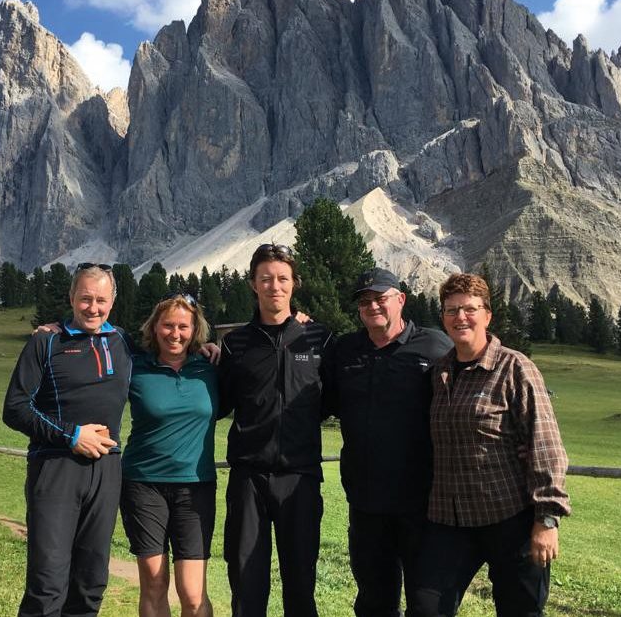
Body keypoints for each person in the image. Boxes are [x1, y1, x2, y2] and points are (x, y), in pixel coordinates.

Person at [413, 272, 571, 617]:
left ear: (487, 315)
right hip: (449, 519)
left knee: (520, 610)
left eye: (469, 309)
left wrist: (546, 520)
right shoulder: (438, 373)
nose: (460, 318)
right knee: (425, 609)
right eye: (451, 311)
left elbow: (545, 444)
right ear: (443, 318)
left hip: (509, 516)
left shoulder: (515, 368)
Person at [2, 263, 133, 617]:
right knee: (48, 585)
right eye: (85, 298)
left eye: (101, 300)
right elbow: (14, 408)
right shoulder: (46, 341)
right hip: (56, 468)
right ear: (71, 297)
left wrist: (207, 351)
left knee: (91, 584)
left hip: (107, 472)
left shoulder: (123, 342)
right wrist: (71, 435)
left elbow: (173, 347)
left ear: (113, 301)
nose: (93, 307)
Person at [322, 268, 453, 617]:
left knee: (429, 607)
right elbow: (315, 398)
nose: (372, 306)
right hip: (366, 504)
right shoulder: (344, 350)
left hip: (423, 505)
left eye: (380, 298)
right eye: (364, 301)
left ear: (400, 299)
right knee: (374, 604)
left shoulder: (436, 344)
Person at [218, 243, 333, 617]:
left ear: (294, 284)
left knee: (301, 586)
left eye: (282, 278)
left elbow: (331, 400)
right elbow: (220, 402)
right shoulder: (234, 343)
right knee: (247, 585)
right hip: (248, 477)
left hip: (300, 477)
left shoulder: (319, 338)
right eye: (265, 279)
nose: (274, 286)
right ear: (253, 284)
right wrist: (196, 354)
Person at [120, 293, 219, 617]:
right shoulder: (135, 367)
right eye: (168, 325)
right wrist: (54, 328)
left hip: (196, 487)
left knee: (192, 594)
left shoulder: (210, 366)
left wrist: (299, 318)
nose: (175, 333)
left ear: (195, 330)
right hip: (143, 485)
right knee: (154, 584)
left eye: (183, 327)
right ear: (155, 327)